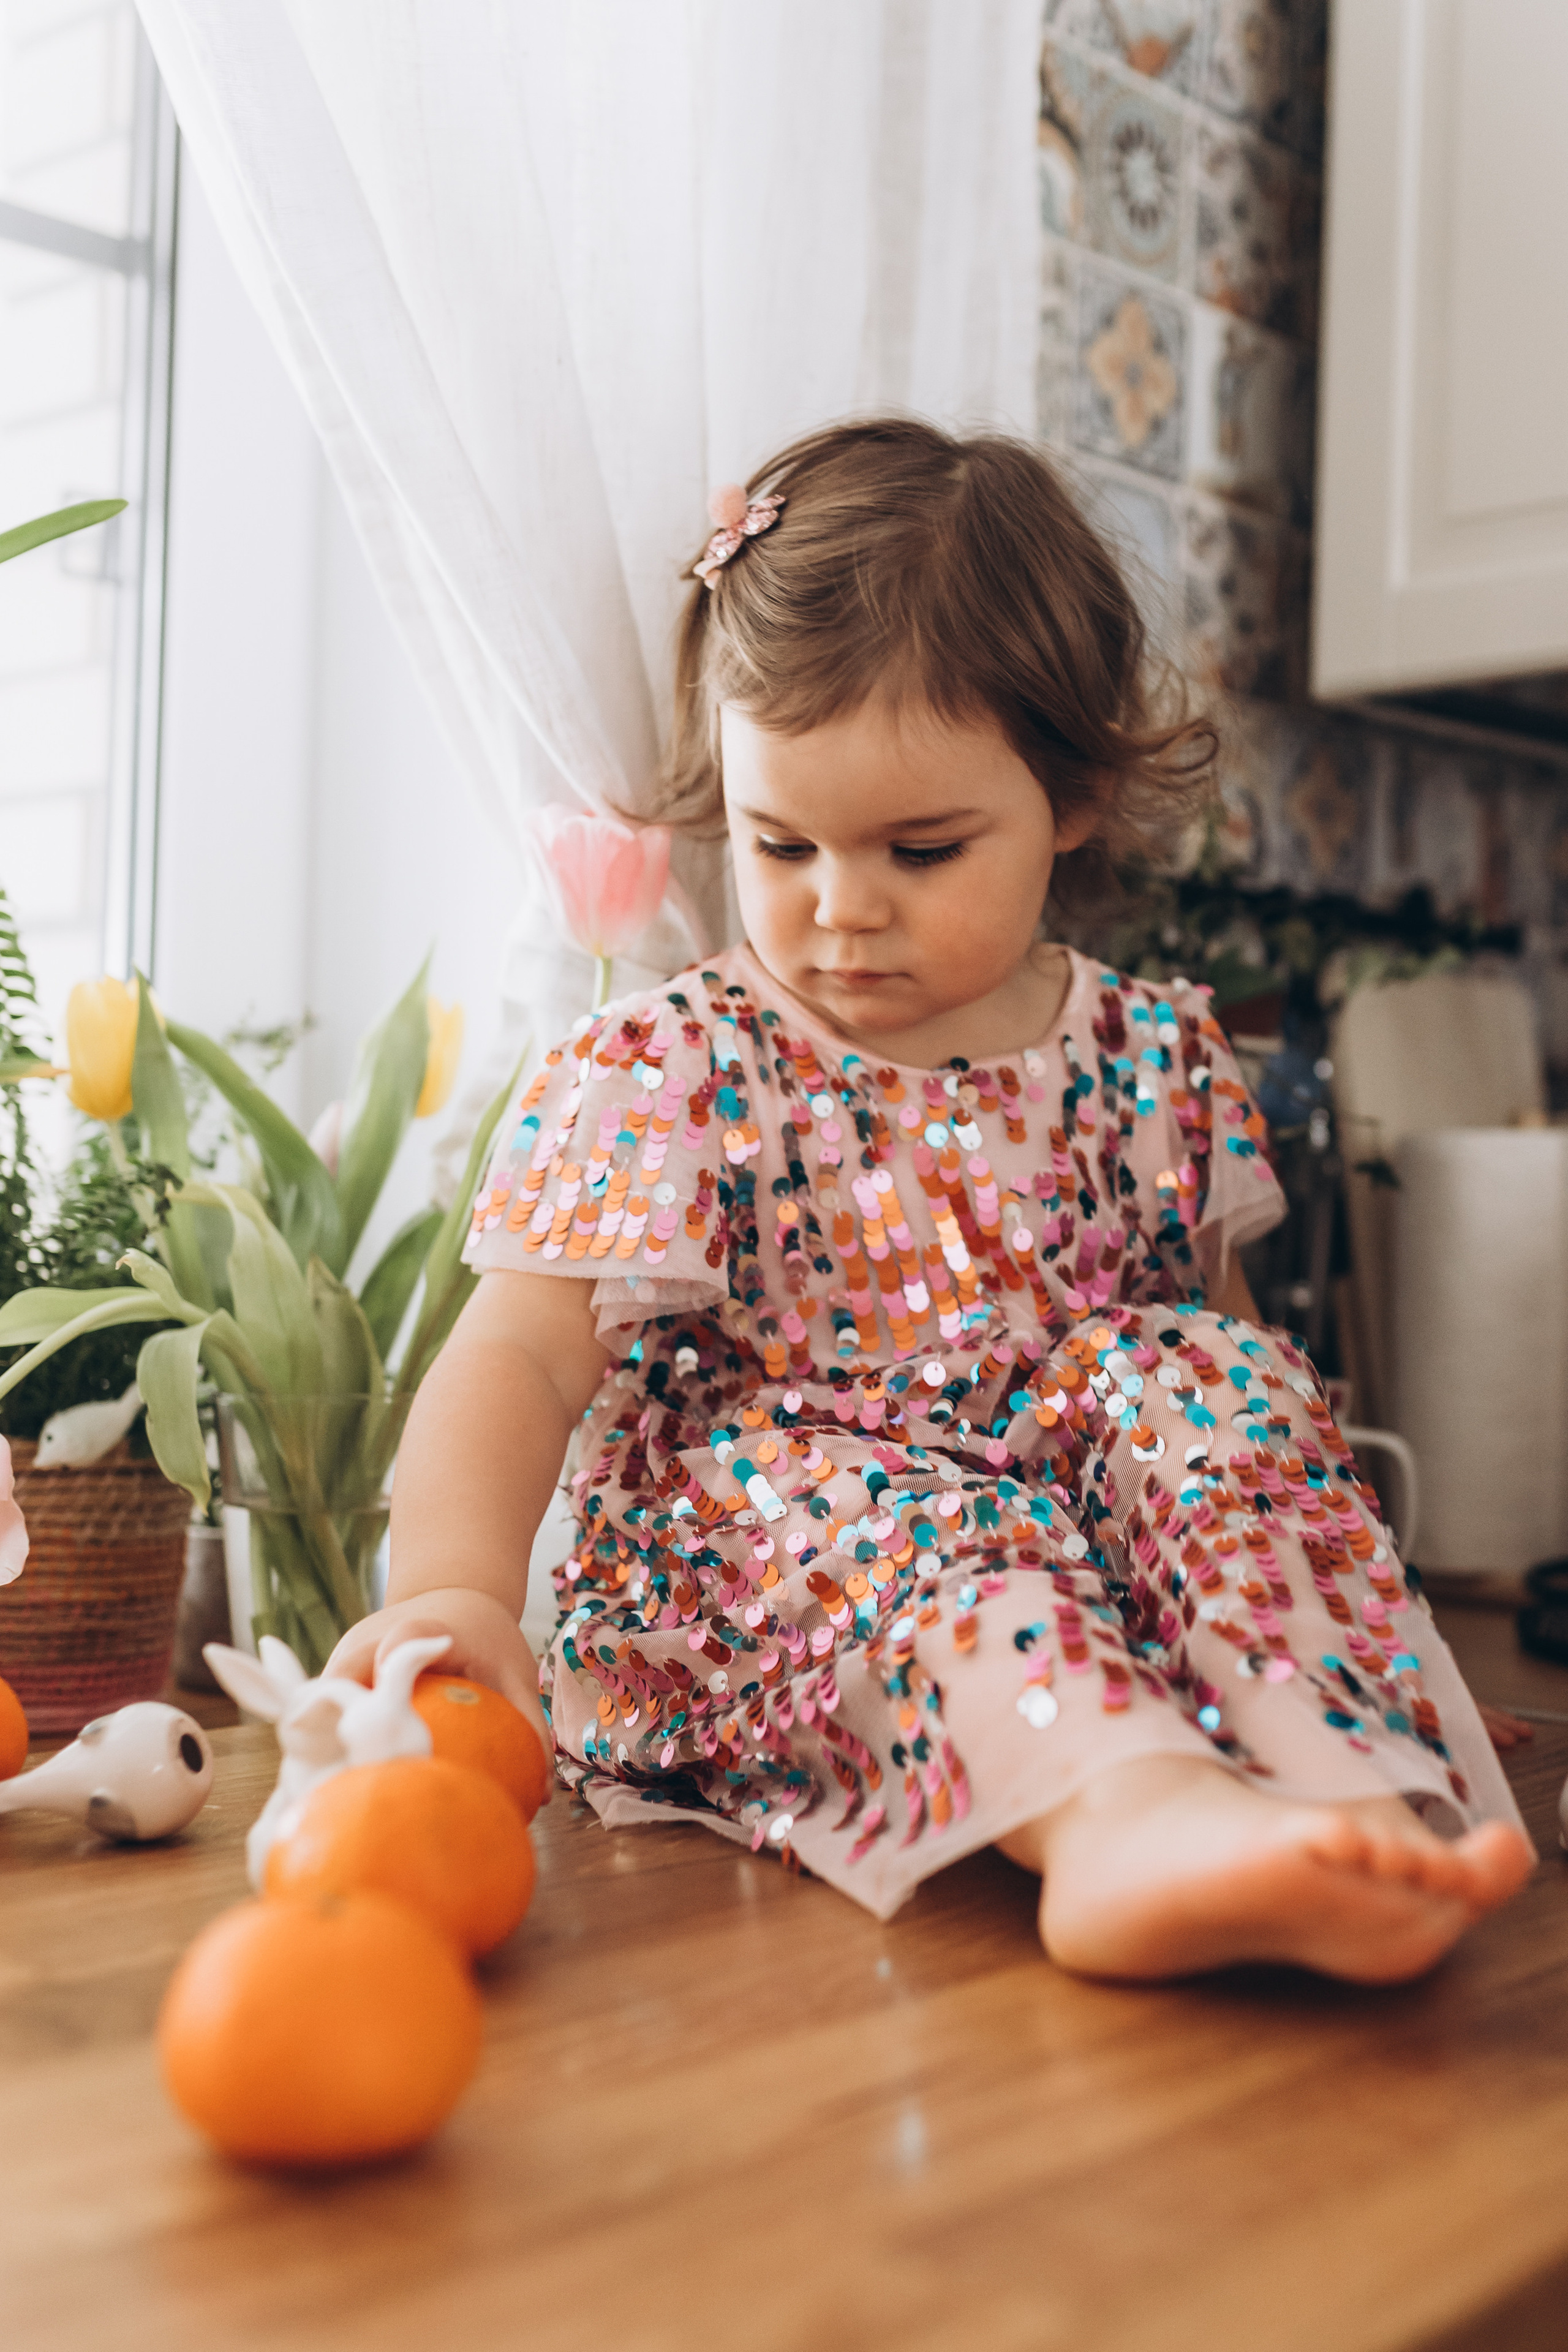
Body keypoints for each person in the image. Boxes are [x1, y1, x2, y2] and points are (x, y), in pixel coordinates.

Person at [328, 420, 1534, 1982]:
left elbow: (1245, 1419)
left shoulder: (1155, 1058)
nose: (838, 906)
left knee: (1206, 1372)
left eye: (919, 846)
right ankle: (1124, 1823)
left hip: (1073, 1568)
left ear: (1075, 793)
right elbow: (520, 1352)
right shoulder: (679, 1061)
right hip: (782, 1565)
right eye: (780, 843)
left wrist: (1363, 1621)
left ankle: (1338, 1768)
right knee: (939, 1516)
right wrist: (453, 1589)